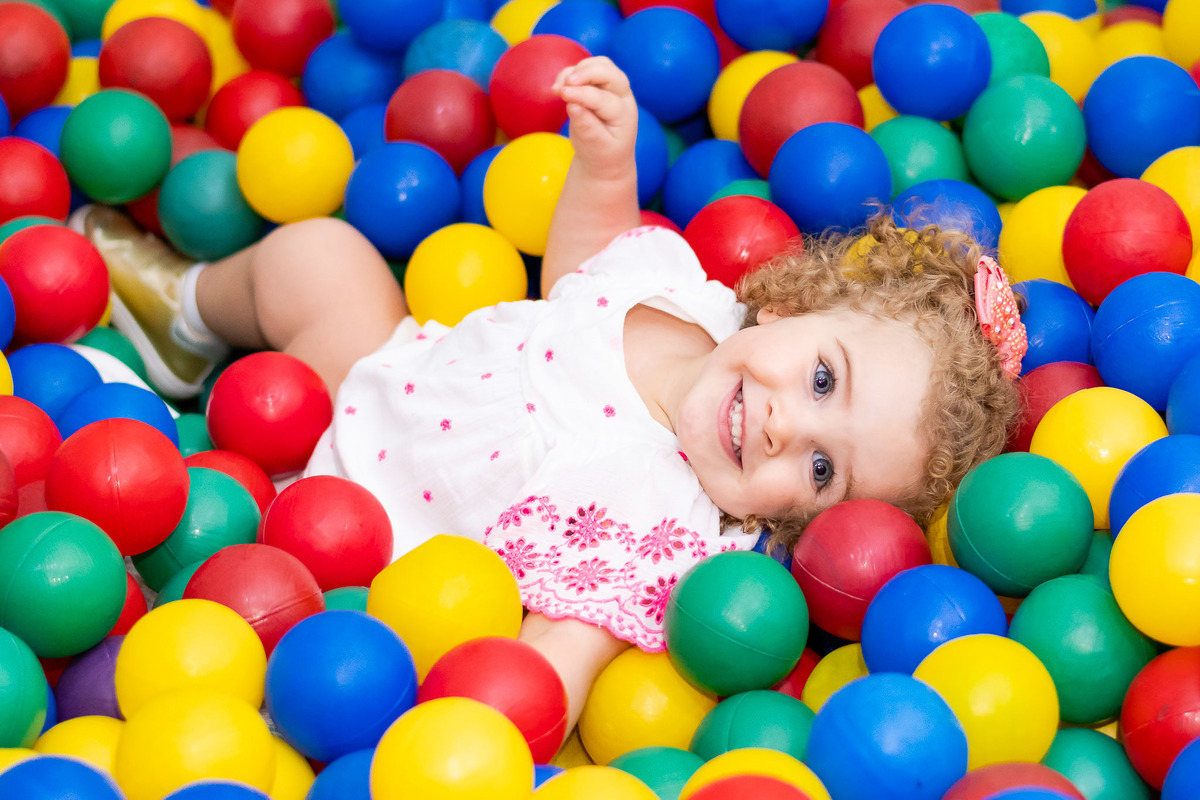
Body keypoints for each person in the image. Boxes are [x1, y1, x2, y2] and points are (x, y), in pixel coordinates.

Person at [71, 56, 1023, 733]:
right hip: (360, 384)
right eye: (822, 379)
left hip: (335, 562)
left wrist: (490, 726)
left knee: (193, 533)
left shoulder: (665, 531)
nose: (786, 425)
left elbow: (555, 663)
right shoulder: (673, 288)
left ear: (799, 526)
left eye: (822, 467)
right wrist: (606, 167)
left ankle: (137, 478)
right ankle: (183, 319)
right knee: (318, 257)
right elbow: (578, 273)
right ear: (791, 305)